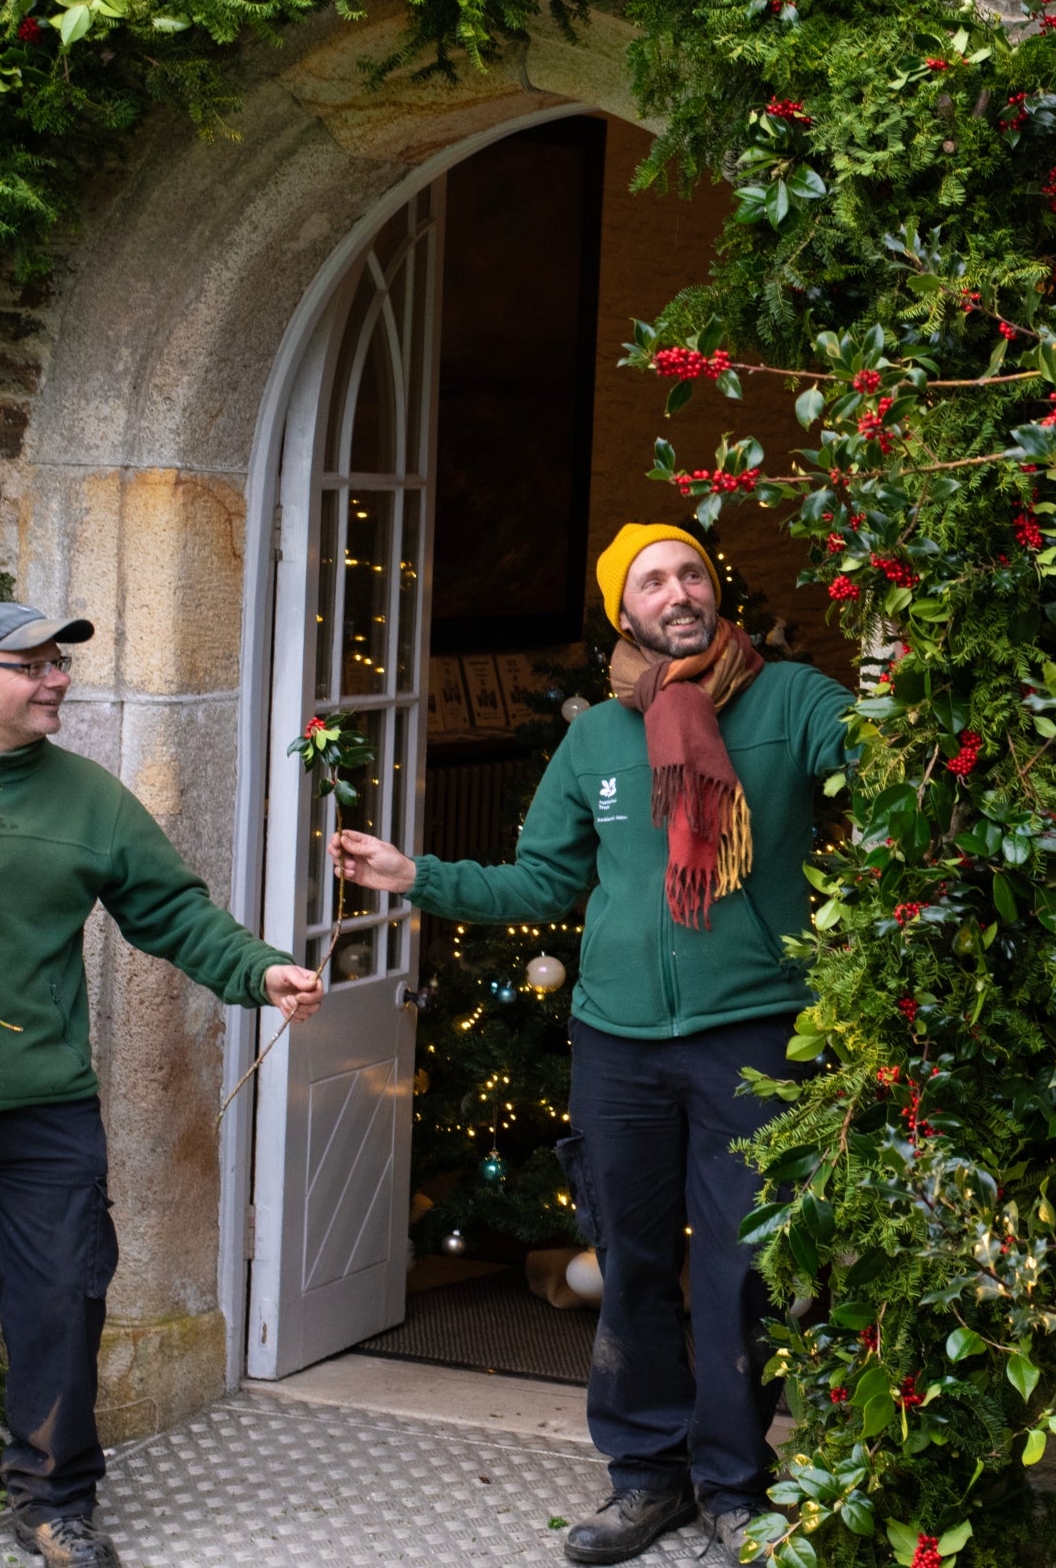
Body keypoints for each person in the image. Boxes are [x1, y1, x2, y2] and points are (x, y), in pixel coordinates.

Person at [331, 524, 851, 1564]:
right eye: (652, 582)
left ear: (715, 588)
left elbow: (892, 763)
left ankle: (735, 1480)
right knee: (633, 1260)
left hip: (753, 1032)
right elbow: (539, 882)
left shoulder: (793, 702)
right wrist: (415, 877)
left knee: (744, 1268)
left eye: (690, 572)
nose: (677, 592)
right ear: (626, 613)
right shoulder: (599, 739)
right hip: (616, 1042)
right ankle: (646, 1476)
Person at [0, 602, 326, 1568]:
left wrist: (261, 971)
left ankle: (54, 1500)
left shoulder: (91, 799)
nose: (57, 680)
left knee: (61, 1299)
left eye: (60, 663)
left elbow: (171, 910)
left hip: (45, 1102)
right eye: (32, 664)